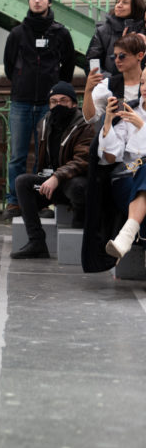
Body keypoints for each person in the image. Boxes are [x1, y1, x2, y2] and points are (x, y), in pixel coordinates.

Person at [2, 0, 75, 220]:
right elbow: (9, 65)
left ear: (49, 2)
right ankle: (14, 201)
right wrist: (21, 81)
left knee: (44, 157)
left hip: (48, 105)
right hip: (21, 103)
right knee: (17, 156)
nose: (37, 1)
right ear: (29, 2)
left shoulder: (61, 33)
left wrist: (56, 90)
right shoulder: (17, 33)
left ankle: (39, 201)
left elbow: (68, 64)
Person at [80, 34, 146, 272]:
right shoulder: (110, 88)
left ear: (140, 56)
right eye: (114, 56)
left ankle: (128, 235)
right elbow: (90, 118)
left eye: (122, 56)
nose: (116, 60)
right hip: (123, 165)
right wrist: (89, 92)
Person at [10, 82, 93, 258]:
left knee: (78, 186)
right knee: (23, 182)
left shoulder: (84, 125)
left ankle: (81, 223)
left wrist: (56, 177)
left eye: (63, 101)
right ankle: (36, 242)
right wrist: (47, 178)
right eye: (53, 101)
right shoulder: (45, 123)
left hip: (75, 183)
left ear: (74, 103)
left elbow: (82, 161)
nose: (58, 105)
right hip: (54, 185)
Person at [95, 71, 146, 261]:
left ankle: (127, 235)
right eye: (142, 83)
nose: (144, 88)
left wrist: (142, 127)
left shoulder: (137, 118)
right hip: (127, 180)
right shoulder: (130, 111)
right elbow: (110, 157)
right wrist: (108, 121)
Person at [86, 0, 146, 76]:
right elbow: (92, 62)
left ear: (135, 6)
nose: (119, 5)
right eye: (118, 2)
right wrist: (110, 80)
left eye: (125, 2)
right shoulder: (103, 31)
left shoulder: (143, 30)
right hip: (109, 82)